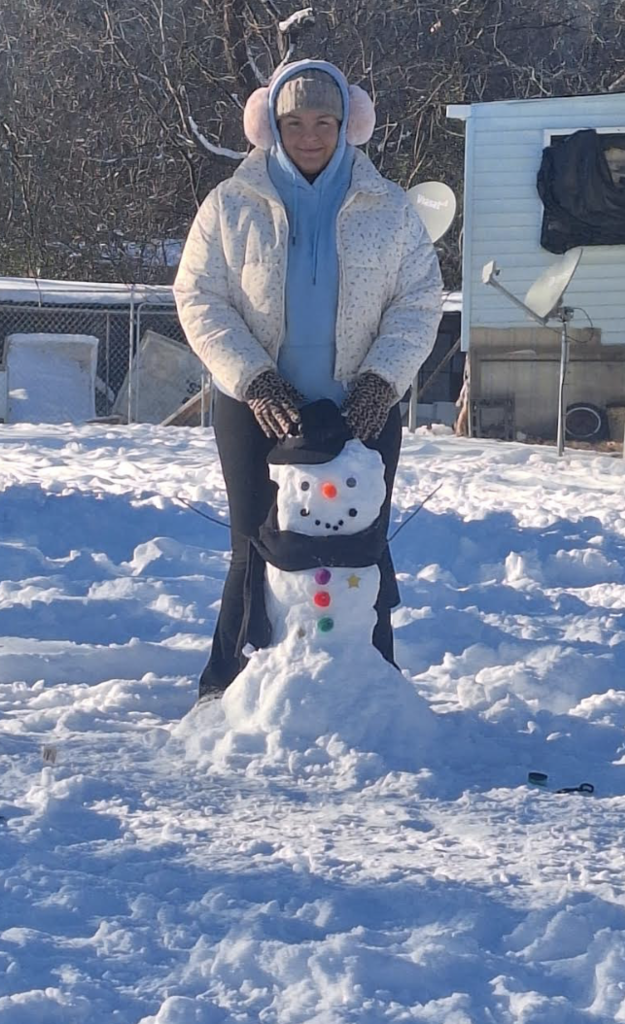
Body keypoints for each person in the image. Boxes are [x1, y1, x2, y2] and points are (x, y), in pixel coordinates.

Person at [174, 59, 444, 698]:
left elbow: (418, 299)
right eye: (294, 121)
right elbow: (199, 295)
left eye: (325, 120)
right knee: (254, 541)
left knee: (363, 539)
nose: (310, 135)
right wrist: (255, 380)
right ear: (268, 123)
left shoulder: (391, 208)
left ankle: (374, 683)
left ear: (351, 122)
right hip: (256, 405)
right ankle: (231, 685)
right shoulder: (230, 205)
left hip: (362, 403)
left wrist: (383, 379)